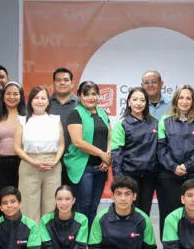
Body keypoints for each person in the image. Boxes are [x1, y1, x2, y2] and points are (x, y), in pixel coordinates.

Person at [156, 85, 194, 237]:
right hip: (169, 176)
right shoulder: (164, 120)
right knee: (168, 213)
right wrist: (174, 166)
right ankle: (169, 246)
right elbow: (160, 148)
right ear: (176, 100)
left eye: (188, 98)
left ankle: (193, 245)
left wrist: (187, 166)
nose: (184, 101)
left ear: (193, 101)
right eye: (181, 97)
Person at [64, 81, 111, 227]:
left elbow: (110, 137)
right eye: (86, 94)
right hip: (83, 168)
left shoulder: (103, 113)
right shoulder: (75, 114)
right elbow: (78, 142)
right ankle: (80, 239)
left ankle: (91, 238)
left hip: (101, 168)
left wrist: (107, 158)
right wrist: (101, 154)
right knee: (83, 206)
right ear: (80, 95)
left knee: (94, 206)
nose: (91, 98)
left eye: (94, 94)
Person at [14, 85, 64, 222]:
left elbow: (61, 145)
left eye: (43, 98)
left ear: (48, 102)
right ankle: (32, 234)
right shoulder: (23, 120)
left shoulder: (55, 119)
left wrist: (55, 161)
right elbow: (17, 147)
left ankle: (48, 234)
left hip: (52, 165)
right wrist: (33, 162)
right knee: (29, 204)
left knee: (51, 204)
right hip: (29, 164)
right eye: (36, 98)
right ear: (30, 100)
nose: (40, 101)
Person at [111, 86, 158, 216]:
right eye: (135, 99)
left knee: (145, 212)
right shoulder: (122, 124)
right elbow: (116, 153)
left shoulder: (155, 123)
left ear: (146, 103)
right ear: (129, 102)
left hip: (149, 176)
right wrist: (119, 179)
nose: (138, 103)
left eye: (142, 100)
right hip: (129, 176)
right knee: (128, 212)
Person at [0, 81, 25, 216]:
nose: (12, 97)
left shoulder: (27, 116)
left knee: (20, 198)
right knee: (1, 199)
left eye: (15, 94)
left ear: (21, 96)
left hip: (22, 162)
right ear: (3, 96)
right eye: (8, 94)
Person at [49, 67, 79, 185]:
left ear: (72, 83)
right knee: (52, 195)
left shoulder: (81, 104)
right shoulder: (45, 103)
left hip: (76, 160)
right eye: (58, 80)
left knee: (73, 195)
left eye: (66, 80)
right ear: (53, 83)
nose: (62, 83)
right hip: (50, 160)